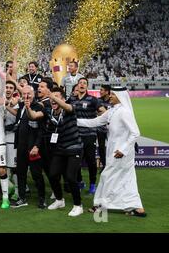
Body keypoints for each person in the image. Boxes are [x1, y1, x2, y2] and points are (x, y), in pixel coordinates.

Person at [77, 87, 146, 217]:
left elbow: (135, 133)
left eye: (113, 94)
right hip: (116, 151)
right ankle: (137, 207)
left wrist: (123, 150)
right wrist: (75, 121)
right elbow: (95, 122)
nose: (110, 96)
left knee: (106, 175)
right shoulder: (113, 111)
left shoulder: (124, 112)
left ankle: (99, 205)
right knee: (128, 179)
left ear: (120, 97)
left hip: (120, 153)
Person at [26, 87, 84, 217]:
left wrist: (51, 96)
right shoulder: (49, 111)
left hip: (74, 148)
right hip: (59, 149)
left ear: (63, 99)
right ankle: (59, 200)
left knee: (70, 177)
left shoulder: (70, 108)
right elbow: (34, 116)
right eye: (52, 97)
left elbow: (67, 107)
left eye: (57, 97)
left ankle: (78, 205)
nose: (53, 100)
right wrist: (28, 108)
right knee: (52, 175)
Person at [68, 78, 106, 194]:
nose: (82, 85)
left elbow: (103, 111)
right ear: (77, 86)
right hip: (75, 134)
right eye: (80, 83)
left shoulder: (92, 100)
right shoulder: (72, 99)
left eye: (85, 83)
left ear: (87, 86)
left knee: (91, 161)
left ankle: (93, 184)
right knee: (76, 160)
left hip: (89, 134)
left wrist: (99, 118)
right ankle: (80, 182)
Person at [11, 85, 46, 209]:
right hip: (21, 146)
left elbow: (41, 130)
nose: (26, 96)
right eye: (24, 94)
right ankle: (22, 198)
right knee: (20, 174)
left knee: (36, 174)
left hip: (33, 148)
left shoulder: (39, 107)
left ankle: (42, 199)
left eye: (29, 94)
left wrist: (37, 146)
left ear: (34, 94)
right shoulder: (20, 106)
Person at [4, 80, 20, 201]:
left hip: (12, 139)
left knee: (14, 167)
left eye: (11, 88)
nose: (8, 89)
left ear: (14, 91)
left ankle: (18, 191)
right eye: (6, 87)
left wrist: (7, 106)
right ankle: (9, 187)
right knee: (2, 167)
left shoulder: (17, 104)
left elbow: (18, 120)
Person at [97, 84, 112, 171]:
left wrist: (102, 114)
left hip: (111, 128)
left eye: (102, 90)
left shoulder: (112, 100)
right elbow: (96, 113)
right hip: (100, 128)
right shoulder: (98, 101)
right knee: (101, 147)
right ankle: (104, 165)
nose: (100, 91)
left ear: (107, 92)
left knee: (112, 146)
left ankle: (112, 165)